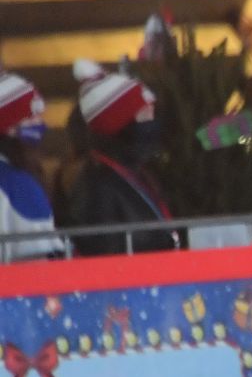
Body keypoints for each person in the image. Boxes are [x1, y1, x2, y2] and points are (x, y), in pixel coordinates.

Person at [61, 61, 178, 257]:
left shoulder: (134, 172)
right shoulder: (97, 186)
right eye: (144, 114)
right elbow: (104, 254)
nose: (152, 121)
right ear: (120, 123)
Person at [0, 72, 63, 262]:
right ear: (9, 127)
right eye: (31, 118)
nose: (40, 125)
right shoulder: (18, 185)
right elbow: (38, 261)